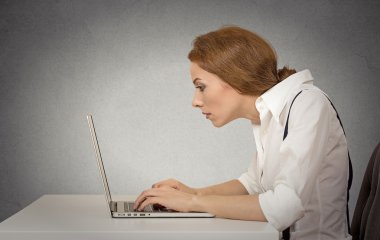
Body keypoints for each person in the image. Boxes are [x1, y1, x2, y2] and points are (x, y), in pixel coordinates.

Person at [133, 26, 351, 239]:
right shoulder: (265, 116)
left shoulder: (308, 103)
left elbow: (285, 206)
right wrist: (193, 193)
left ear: (233, 77)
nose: (195, 101)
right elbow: (252, 183)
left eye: (201, 86)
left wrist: (191, 204)